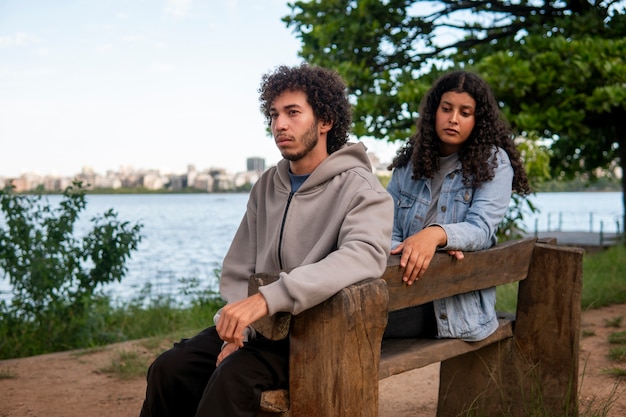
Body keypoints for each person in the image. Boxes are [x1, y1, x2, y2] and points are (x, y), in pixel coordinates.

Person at [138, 64, 394, 417]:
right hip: (257, 331)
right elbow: (239, 267)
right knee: (169, 369)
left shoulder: (361, 189)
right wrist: (238, 331)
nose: (279, 125)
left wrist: (268, 300)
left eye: (292, 113)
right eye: (274, 114)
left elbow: (363, 256)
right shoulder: (266, 186)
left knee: (230, 383)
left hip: (313, 337)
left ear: (325, 121)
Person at [384, 70, 531, 342]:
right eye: (447, 109)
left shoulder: (493, 163)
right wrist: (406, 249)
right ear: (434, 112)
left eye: (465, 113)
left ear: (478, 120)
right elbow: (384, 227)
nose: (453, 119)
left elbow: (480, 229)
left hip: (449, 306)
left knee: (348, 320)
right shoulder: (409, 166)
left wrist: (436, 236)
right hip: (398, 286)